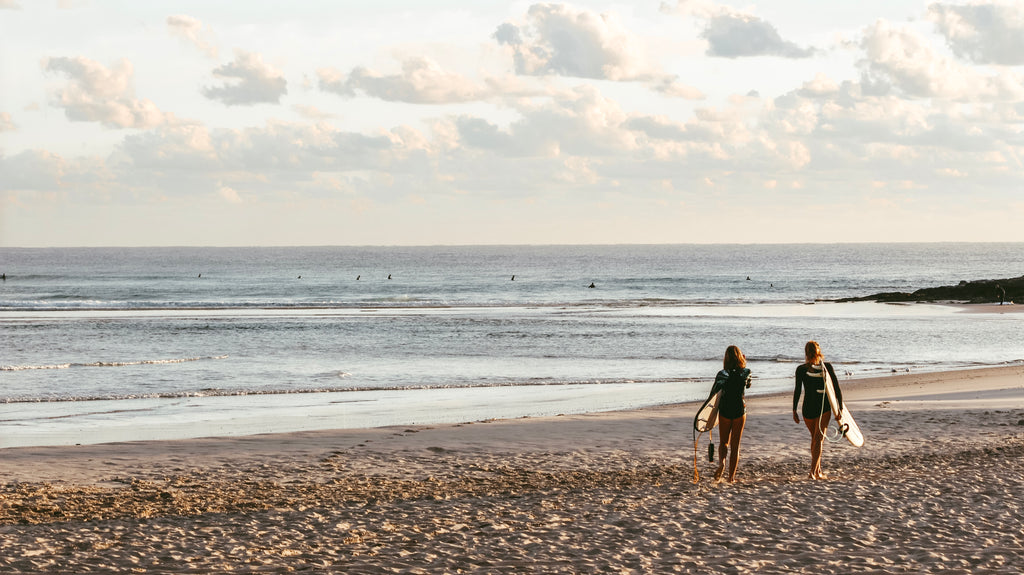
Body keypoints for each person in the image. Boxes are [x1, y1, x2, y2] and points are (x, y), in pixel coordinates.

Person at [792, 340, 844, 480]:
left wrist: (794, 409)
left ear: (806, 353)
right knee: (818, 439)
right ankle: (812, 472)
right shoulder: (826, 367)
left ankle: (818, 470)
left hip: (807, 408)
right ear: (819, 352)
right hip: (823, 407)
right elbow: (836, 389)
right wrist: (839, 408)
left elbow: (797, 391)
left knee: (815, 439)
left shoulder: (801, 369)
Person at [711, 345, 752, 482]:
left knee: (724, 443)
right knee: (735, 445)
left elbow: (713, 393)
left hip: (725, 410)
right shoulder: (745, 372)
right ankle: (731, 477)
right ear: (740, 356)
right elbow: (748, 385)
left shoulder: (722, 374)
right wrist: (744, 364)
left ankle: (722, 463)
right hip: (739, 409)